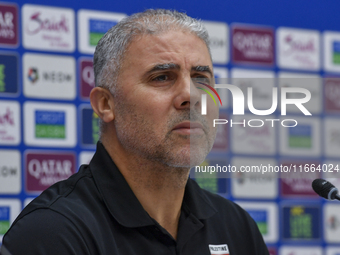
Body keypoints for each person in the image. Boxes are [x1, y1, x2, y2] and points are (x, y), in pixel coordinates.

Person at [1, 9, 269, 255]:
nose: (191, 95)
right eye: (162, 77)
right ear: (106, 104)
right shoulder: (52, 232)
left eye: (201, 78)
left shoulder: (236, 226)